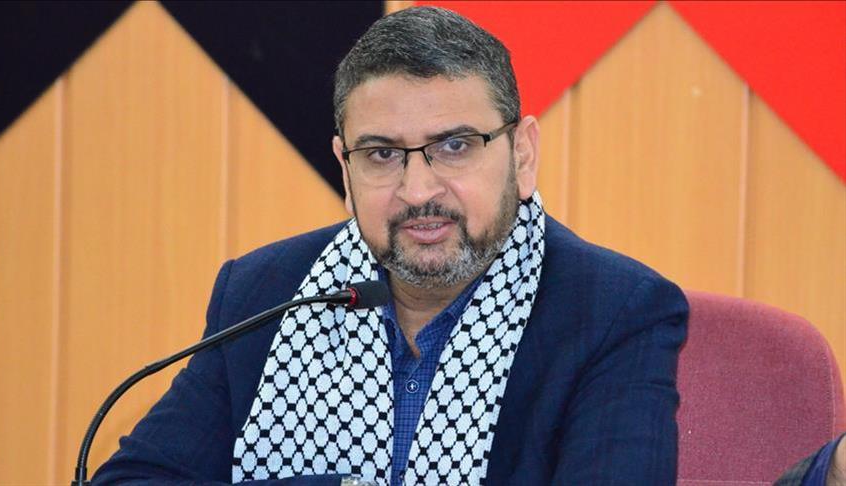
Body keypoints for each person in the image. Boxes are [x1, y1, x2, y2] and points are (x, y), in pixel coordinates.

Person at [93, 6, 689, 485]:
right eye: (381, 154)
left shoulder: (614, 312)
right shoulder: (266, 293)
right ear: (344, 168)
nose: (418, 189)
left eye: (454, 146)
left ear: (523, 155)